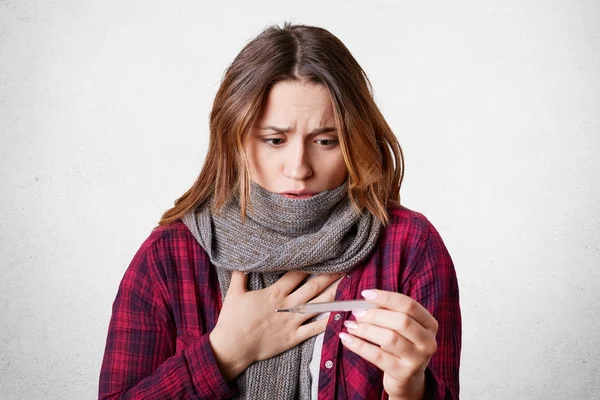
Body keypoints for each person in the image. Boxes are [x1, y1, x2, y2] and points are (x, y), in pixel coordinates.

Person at [98, 23, 461, 400]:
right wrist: (225, 353)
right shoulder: (170, 256)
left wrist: (410, 390)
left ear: (356, 139)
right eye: (274, 140)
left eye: (326, 141)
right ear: (234, 138)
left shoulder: (409, 246)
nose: (299, 168)